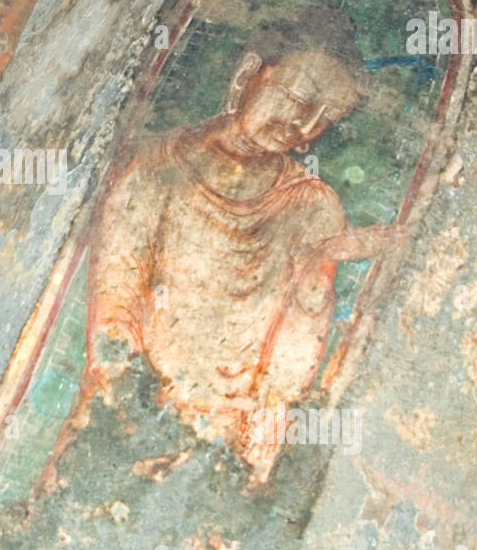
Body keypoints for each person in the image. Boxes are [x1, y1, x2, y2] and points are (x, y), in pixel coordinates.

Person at [59, 47, 402, 489]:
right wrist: (131, 404)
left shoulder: (311, 203)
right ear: (247, 75)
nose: (302, 128)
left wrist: (258, 439)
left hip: (231, 433)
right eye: (298, 97)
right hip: (134, 407)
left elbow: (296, 342)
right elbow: (114, 309)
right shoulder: (155, 166)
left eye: (325, 118)